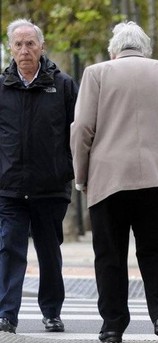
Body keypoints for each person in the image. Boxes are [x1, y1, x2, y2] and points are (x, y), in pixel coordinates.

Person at [70, 22, 158, 342]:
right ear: (146, 48)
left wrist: (81, 176)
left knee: (109, 255)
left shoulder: (96, 73)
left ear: (113, 50)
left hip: (107, 180)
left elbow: (82, 129)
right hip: (156, 181)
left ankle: (113, 325)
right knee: (156, 251)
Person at [0, 18, 78, 334]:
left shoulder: (63, 85)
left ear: (41, 47)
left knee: (49, 252)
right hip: (10, 188)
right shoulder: (2, 87)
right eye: (18, 44)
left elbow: (79, 133)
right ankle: (6, 314)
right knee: (9, 249)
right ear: (10, 48)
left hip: (51, 188)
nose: (25, 50)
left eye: (30, 43)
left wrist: (69, 171)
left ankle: (52, 312)